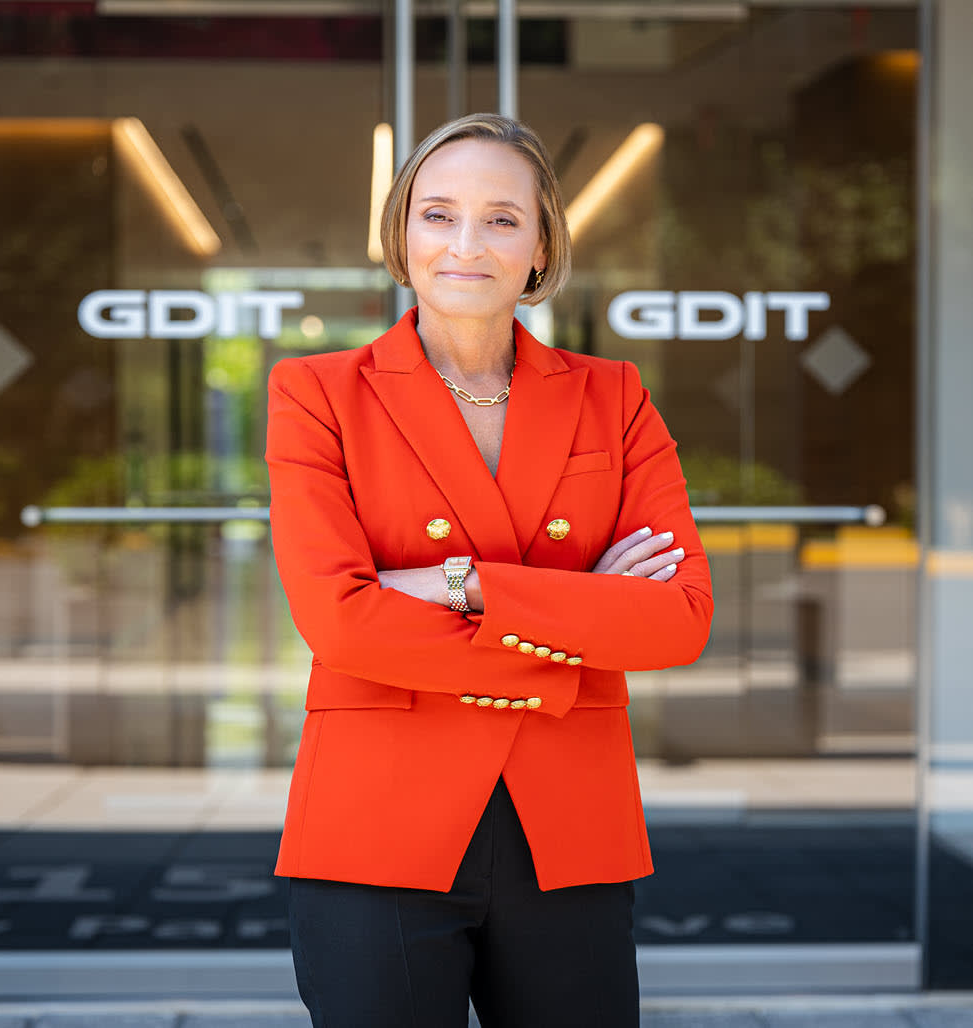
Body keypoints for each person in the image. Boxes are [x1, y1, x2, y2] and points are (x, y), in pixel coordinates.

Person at [265, 113, 713, 1028]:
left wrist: (455, 583)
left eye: (502, 219)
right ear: (401, 235)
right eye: (438, 214)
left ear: (541, 244)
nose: (467, 244)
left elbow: (678, 618)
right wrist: (583, 607)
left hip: (569, 822)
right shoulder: (317, 394)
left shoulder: (612, 396)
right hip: (376, 821)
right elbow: (338, 622)